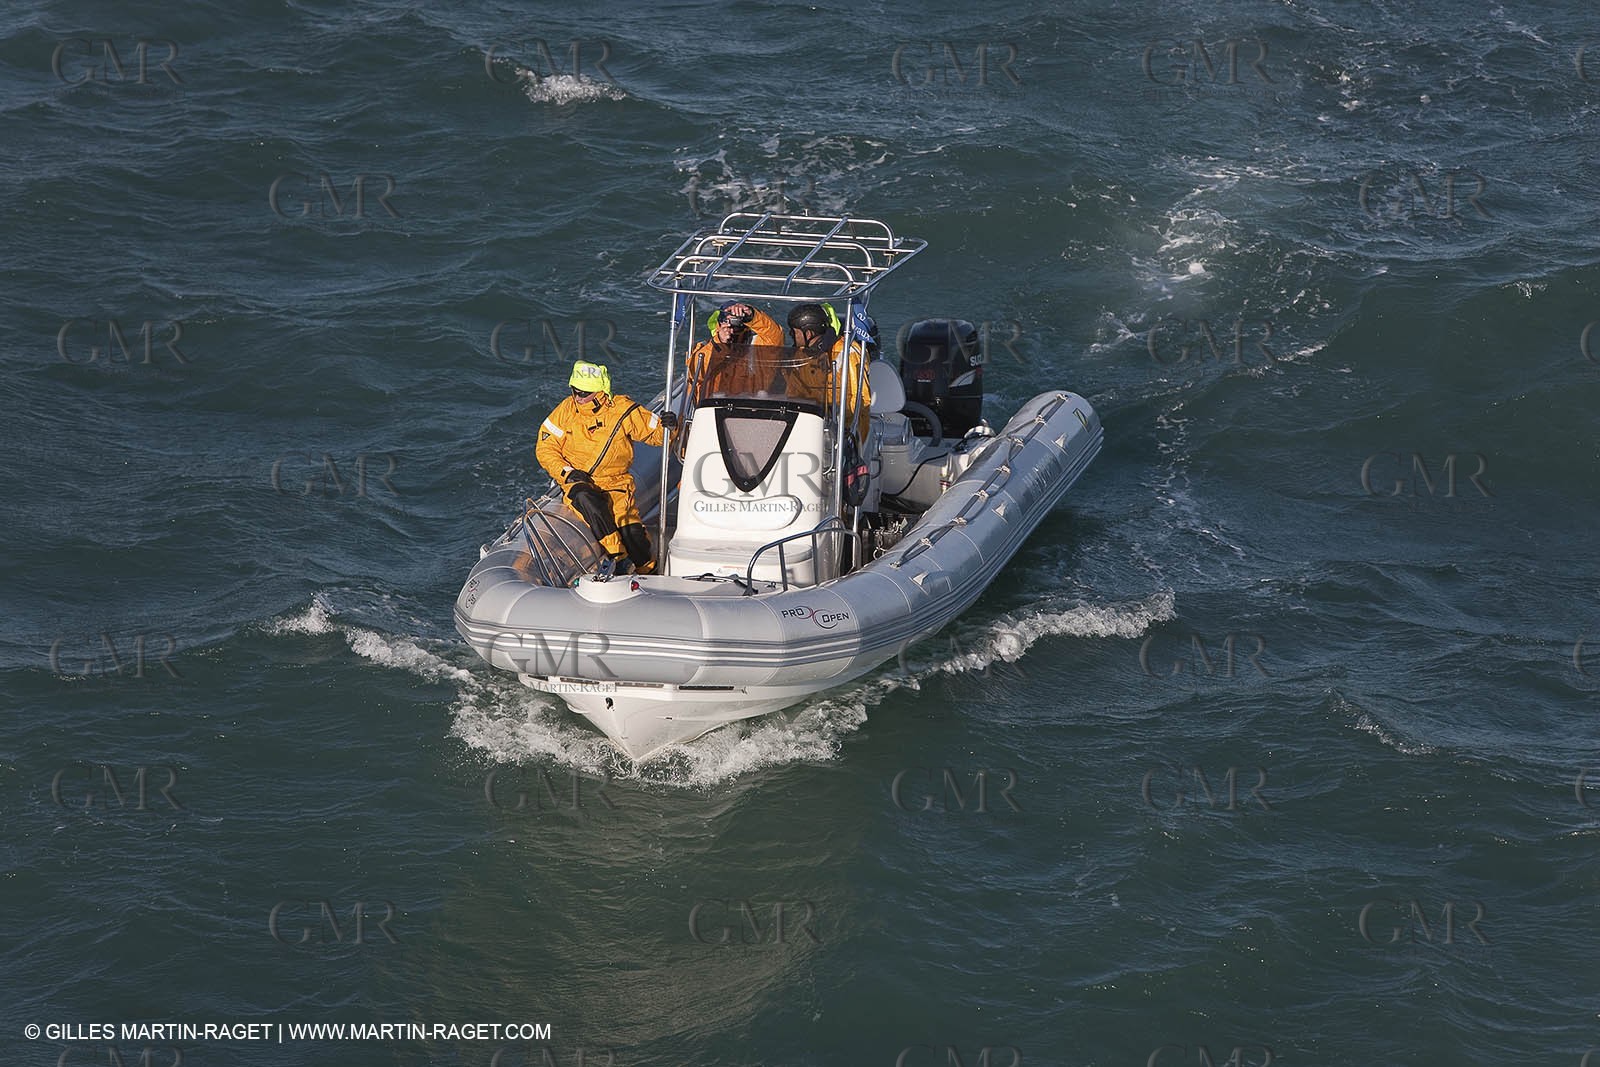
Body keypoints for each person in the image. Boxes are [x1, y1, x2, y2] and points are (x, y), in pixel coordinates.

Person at [536, 360, 678, 575]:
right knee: (585, 498)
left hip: (617, 484)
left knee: (634, 537)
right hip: (579, 480)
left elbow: (657, 436)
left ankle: (648, 570)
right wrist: (566, 472)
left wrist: (669, 427)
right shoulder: (564, 411)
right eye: (575, 391)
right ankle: (616, 555)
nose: (578, 397)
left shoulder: (623, 410)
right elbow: (545, 448)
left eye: (584, 393)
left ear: (600, 392)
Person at [787, 302, 873, 442]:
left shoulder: (847, 352)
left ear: (808, 333)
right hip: (810, 423)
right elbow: (793, 392)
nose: (790, 335)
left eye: (794, 331)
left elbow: (859, 400)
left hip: (844, 431)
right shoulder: (801, 353)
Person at [687, 301, 785, 404]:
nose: (731, 330)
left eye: (735, 323)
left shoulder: (756, 345)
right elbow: (695, 371)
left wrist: (752, 316)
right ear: (719, 323)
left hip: (750, 409)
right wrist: (720, 344)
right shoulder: (705, 347)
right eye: (726, 322)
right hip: (711, 409)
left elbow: (775, 336)